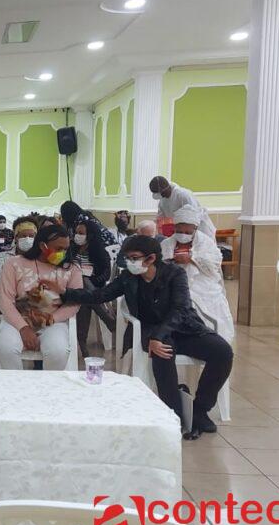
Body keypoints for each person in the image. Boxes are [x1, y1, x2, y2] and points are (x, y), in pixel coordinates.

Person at [61, 235, 232, 439]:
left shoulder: (174, 274)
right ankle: (174, 414)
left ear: (151, 258)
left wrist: (159, 336)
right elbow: (100, 295)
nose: (129, 262)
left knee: (222, 352)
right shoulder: (128, 278)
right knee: (162, 353)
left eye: (134, 258)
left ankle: (200, 410)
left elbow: (180, 309)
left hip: (183, 328)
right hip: (150, 330)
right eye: (127, 258)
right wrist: (65, 293)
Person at [0, 225, 83, 370]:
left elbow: (74, 303)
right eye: (58, 249)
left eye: (65, 249)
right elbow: (5, 301)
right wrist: (23, 328)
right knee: (6, 348)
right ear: (43, 246)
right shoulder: (14, 263)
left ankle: (48, 384)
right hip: (17, 319)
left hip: (53, 321)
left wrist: (49, 319)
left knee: (58, 351)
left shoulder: (72, 268)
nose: (63, 253)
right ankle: (14, 383)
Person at [161, 205, 235, 343]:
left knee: (198, 303)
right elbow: (159, 264)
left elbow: (214, 263)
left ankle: (209, 340)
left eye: (187, 232)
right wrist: (171, 260)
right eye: (179, 231)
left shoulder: (205, 242)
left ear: (194, 229)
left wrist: (192, 259)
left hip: (201, 281)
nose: (183, 235)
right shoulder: (167, 243)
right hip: (174, 281)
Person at [71, 220, 116, 358]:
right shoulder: (71, 249)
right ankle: (107, 318)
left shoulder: (99, 251)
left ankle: (83, 346)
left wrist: (92, 280)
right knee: (81, 280)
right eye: (76, 232)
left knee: (84, 298)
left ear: (90, 235)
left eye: (81, 233)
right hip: (72, 286)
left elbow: (106, 274)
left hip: (92, 286)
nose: (77, 235)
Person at [149, 176, 216, 239]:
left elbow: (193, 215)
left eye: (159, 193)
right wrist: (150, 227)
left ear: (164, 190)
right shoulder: (163, 200)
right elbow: (159, 218)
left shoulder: (183, 195)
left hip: (200, 230)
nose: (160, 196)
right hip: (184, 231)